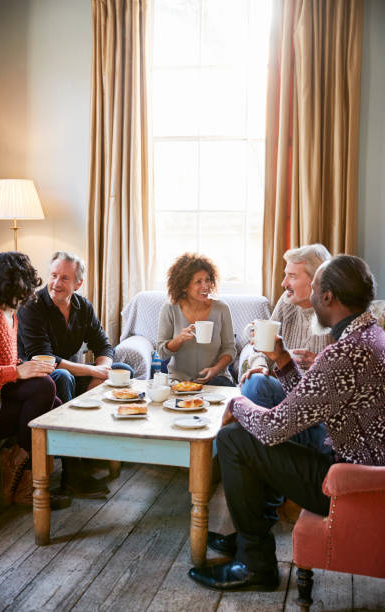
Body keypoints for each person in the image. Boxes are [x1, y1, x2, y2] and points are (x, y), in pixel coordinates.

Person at [188, 255, 385, 591]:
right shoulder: (371, 336)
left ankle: (256, 566)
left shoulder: (346, 353)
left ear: (327, 297)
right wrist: (282, 361)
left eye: (316, 290)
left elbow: (273, 427)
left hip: (352, 484)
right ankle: (246, 540)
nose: (310, 298)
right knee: (256, 430)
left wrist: (235, 401)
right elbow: (313, 403)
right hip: (361, 469)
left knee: (237, 439)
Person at [17, 251, 134, 498]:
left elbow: (104, 345)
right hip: (38, 378)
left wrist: (100, 375)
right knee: (63, 378)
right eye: (53, 275)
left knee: (124, 372)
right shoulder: (32, 307)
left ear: (78, 283)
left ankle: (97, 450)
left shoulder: (83, 306)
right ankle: (72, 472)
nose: (56, 283)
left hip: (72, 372)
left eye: (64, 278)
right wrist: (93, 370)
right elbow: (46, 360)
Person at [0, 252, 70, 509]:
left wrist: (27, 367)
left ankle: (27, 485)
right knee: (46, 388)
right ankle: (15, 467)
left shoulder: (10, 315)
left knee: (53, 400)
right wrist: (17, 372)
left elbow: (0, 363)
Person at [241, 243, 333, 450]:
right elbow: (260, 347)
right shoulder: (287, 302)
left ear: (316, 280)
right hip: (288, 396)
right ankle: (266, 455)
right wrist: (259, 363)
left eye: (292, 276)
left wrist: (320, 362)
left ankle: (284, 456)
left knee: (329, 438)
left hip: (321, 410)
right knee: (255, 382)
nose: (283, 284)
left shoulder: (336, 313)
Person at [157, 253, 236, 386]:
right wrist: (178, 340)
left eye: (208, 280)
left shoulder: (221, 308)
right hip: (179, 381)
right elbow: (161, 353)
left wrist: (215, 370)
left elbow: (230, 349)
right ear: (184, 286)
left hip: (217, 378)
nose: (206, 286)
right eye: (198, 281)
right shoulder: (170, 309)